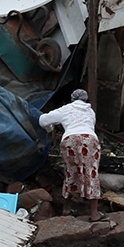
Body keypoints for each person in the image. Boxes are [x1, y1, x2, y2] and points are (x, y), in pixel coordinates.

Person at [38, 89, 101, 218]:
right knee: (91, 173)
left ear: (72, 99)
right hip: (89, 140)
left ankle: (66, 209)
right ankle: (94, 213)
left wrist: (50, 128)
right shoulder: (90, 111)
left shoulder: (66, 109)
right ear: (86, 100)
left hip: (70, 140)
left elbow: (42, 120)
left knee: (71, 172)